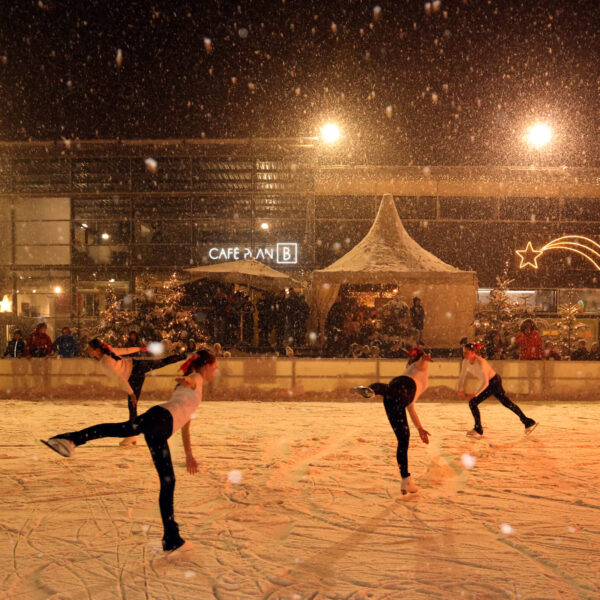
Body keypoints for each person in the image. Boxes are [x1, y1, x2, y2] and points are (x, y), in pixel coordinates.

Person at [42, 350, 218, 555]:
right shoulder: (195, 379)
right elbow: (191, 380)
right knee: (123, 433)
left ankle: (171, 537)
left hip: (160, 429)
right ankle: (69, 438)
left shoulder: (194, 388)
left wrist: (189, 454)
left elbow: (186, 423)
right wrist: (186, 379)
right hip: (159, 420)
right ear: (205, 367)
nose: (215, 372)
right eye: (214, 367)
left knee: (165, 478)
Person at [351, 347, 432, 496]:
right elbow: (420, 364)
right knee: (403, 440)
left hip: (395, 398)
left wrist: (420, 428)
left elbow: (410, 407)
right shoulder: (419, 367)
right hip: (404, 388)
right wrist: (423, 357)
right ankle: (374, 389)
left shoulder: (409, 369)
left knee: (403, 438)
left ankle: (406, 479)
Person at [87, 338, 187, 446]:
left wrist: (131, 393)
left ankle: (132, 435)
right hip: (137, 365)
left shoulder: (105, 363)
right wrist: (139, 348)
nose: (88, 350)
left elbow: (120, 379)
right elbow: (125, 350)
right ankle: (182, 356)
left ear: (97, 350)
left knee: (132, 406)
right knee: (161, 362)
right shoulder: (109, 352)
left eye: (89, 349)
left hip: (134, 375)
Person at [458, 342, 537, 437]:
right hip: (492, 382)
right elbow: (462, 376)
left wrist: (475, 394)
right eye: (463, 352)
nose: (464, 354)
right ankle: (527, 421)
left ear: (472, 352)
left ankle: (478, 429)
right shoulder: (465, 362)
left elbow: (486, 382)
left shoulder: (481, 362)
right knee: (506, 403)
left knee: (473, 403)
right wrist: (460, 389)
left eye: (466, 352)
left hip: (494, 382)